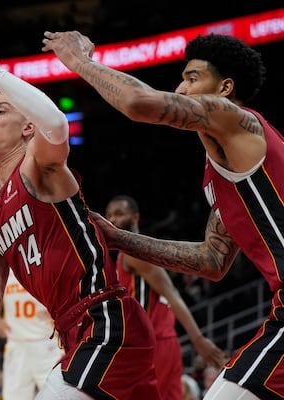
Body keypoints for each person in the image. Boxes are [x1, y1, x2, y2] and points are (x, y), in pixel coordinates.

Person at [0, 14, 161, 399]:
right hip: (73, 334)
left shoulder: (38, 165)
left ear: (26, 127)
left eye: (0, 110)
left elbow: (54, 123)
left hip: (105, 322)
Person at [42, 29, 284, 400]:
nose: (181, 89)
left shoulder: (238, 119)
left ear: (225, 89)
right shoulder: (225, 169)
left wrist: (79, 62)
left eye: (192, 78)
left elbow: (140, 102)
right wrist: (118, 238)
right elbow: (212, 260)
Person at [105, 194, 227, 399]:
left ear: (135, 218)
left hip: (152, 344)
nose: (112, 220)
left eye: (119, 214)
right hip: (165, 342)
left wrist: (197, 339)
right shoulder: (131, 253)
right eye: (109, 215)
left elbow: (172, 294)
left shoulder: (134, 255)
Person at [0, 268, 64, 400]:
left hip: (47, 343)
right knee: (13, 397)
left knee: (59, 395)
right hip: (16, 343)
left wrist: (57, 311)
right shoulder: (5, 268)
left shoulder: (44, 264)